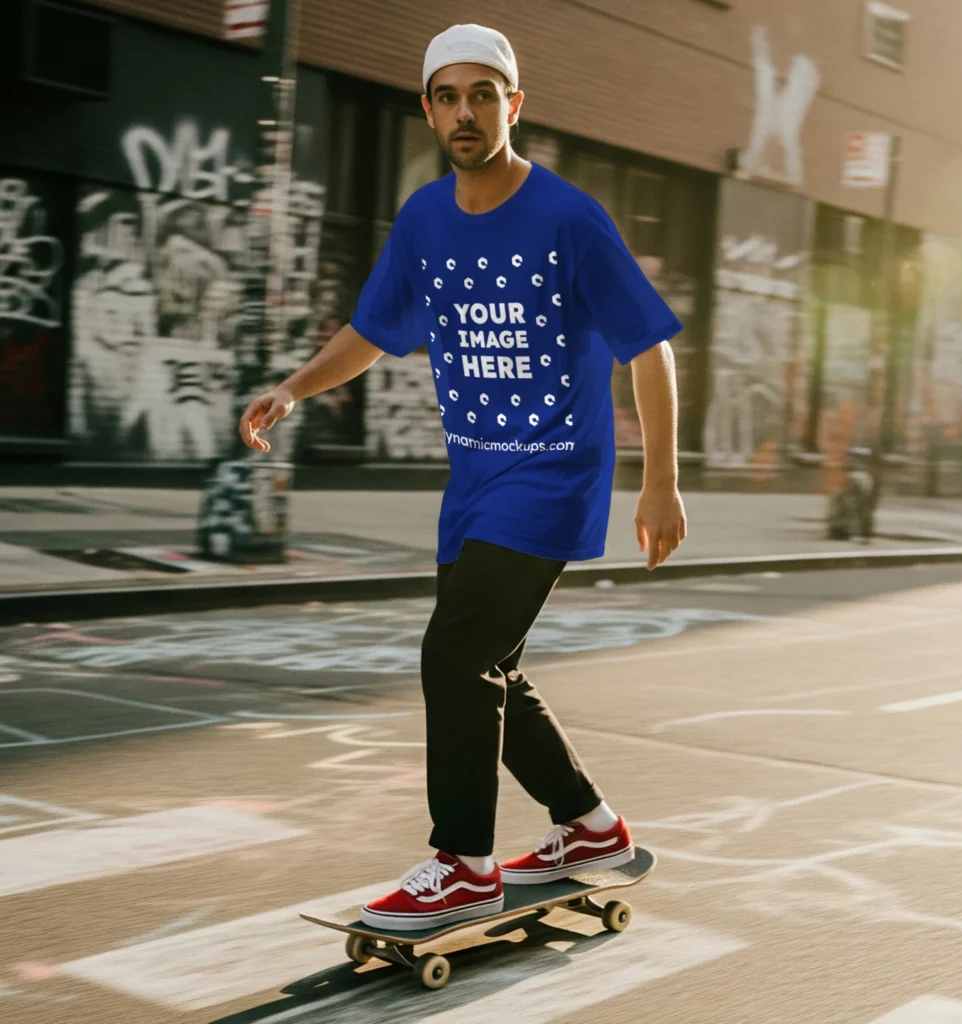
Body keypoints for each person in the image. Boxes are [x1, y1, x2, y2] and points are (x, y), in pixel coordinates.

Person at [238, 23, 687, 931]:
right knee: (492, 669)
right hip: (476, 482)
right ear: (428, 112)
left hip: (555, 474)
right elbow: (373, 330)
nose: (465, 112)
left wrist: (661, 481)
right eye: (448, 96)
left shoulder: (567, 217)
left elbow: (651, 345)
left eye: (484, 94)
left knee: (453, 654)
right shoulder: (424, 220)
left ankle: (464, 863)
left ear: (513, 105)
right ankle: (591, 828)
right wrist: (294, 387)